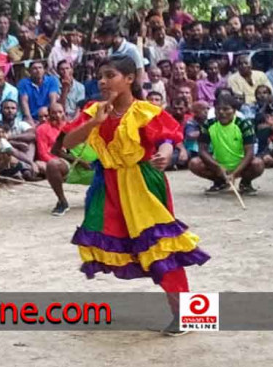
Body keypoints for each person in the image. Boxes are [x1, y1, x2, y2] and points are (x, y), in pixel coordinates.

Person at [62, 55, 209, 336]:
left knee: (161, 244)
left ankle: (188, 315)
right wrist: (94, 123)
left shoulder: (144, 110)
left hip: (142, 181)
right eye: (100, 76)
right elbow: (66, 142)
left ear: (129, 79)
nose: (103, 81)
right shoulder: (94, 110)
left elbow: (167, 140)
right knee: (130, 243)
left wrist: (165, 155)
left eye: (110, 75)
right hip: (109, 184)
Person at [188, 90, 265, 194]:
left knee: (258, 164)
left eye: (226, 109)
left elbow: (250, 153)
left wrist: (235, 173)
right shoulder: (208, 124)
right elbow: (202, 150)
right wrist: (218, 167)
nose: (221, 113)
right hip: (218, 164)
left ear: (234, 111)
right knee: (194, 163)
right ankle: (220, 182)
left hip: (241, 164)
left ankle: (245, 183)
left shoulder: (244, 124)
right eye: (218, 109)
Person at [18, 61, 60, 125]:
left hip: (47, 116)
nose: (38, 70)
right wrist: (29, 119)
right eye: (34, 68)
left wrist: (50, 118)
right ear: (29, 71)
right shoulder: (23, 83)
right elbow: (24, 102)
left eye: (40, 68)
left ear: (44, 70)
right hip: (31, 116)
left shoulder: (52, 80)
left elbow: (53, 100)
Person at [35, 103, 67, 176]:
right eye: (54, 113)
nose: (57, 115)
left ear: (64, 113)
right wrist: (58, 162)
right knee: (41, 165)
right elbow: (43, 154)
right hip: (52, 161)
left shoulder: (68, 126)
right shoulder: (42, 129)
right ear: (49, 114)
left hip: (69, 159)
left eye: (60, 112)